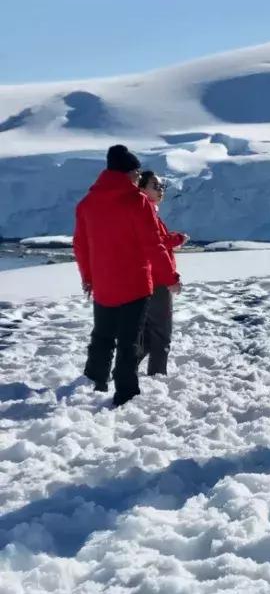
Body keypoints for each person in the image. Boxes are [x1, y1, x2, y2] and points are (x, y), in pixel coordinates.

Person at [73, 145, 181, 407]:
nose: (137, 178)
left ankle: (93, 382)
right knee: (129, 340)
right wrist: (170, 277)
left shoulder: (87, 203)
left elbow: (80, 246)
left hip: (104, 284)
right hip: (134, 283)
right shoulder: (136, 201)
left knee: (102, 337)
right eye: (136, 172)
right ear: (129, 172)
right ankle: (126, 392)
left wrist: (88, 278)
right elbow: (152, 244)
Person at [135, 171, 187, 376]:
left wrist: (173, 238)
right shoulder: (146, 212)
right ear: (141, 189)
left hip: (147, 278)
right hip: (157, 279)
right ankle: (157, 377)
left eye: (161, 186)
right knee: (161, 334)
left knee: (148, 334)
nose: (160, 190)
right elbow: (155, 246)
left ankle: (124, 368)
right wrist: (171, 278)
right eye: (155, 186)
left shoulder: (146, 212)